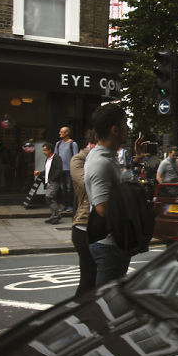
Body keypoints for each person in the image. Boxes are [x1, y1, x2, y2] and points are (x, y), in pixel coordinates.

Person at [85, 104, 132, 287]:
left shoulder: (108, 156)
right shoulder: (100, 162)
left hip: (114, 244)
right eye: (125, 124)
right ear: (114, 129)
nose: (127, 128)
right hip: (109, 246)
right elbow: (102, 208)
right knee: (106, 303)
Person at [71, 130, 97, 296]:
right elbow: (89, 186)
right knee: (88, 281)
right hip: (84, 225)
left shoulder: (109, 159)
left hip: (103, 228)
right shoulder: (79, 159)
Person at [34, 142, 63, 224]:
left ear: (50, 150)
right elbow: (47, 171)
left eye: (45, 150)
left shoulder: (56, 158)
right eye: (43, 150)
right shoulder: (47, 159)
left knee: (49, 196)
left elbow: (58, 170)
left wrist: (52, 179)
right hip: (48, 182)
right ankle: (54, 215)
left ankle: (56, 215)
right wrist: (39, 173)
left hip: (54, 182)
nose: (43, 152)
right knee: (49, 198)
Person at [54, 126, 78, 214]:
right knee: (62, 188)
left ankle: (70, 205)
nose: (59, 133)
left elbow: (75, 157)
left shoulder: (73, 144)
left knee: (69, 188)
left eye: (61, 132)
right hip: (61, 169)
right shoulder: (58, 144)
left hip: (69, 169)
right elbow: (55, 156)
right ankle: (63, 204)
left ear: (67, 133)